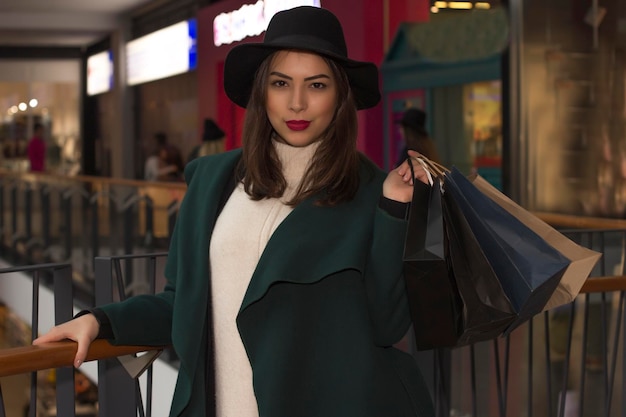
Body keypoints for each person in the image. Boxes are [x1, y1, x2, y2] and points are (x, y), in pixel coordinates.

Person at [34, 6, 434, 417]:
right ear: (263, 91)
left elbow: (387, 325)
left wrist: (394, 210)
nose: (297, 103)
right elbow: (181, 303)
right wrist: (100, 321)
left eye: (316, 85)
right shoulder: (212, 181)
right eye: (281, 83)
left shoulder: (369, 192)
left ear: (340, 95)